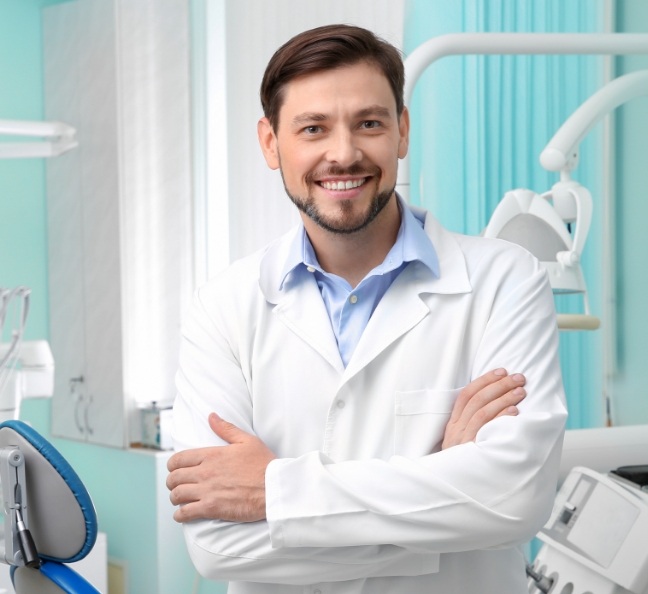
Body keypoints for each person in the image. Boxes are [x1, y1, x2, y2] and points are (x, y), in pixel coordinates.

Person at [166, 24, 567, 594]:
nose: (344, 153)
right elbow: (216, 544)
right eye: (312, 128)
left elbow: (515, 497)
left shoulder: (504, 279)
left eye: (370, 123)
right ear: (269, 142)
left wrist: (273, 494)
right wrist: (442, 490)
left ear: (402, 130)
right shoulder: (224, 307)